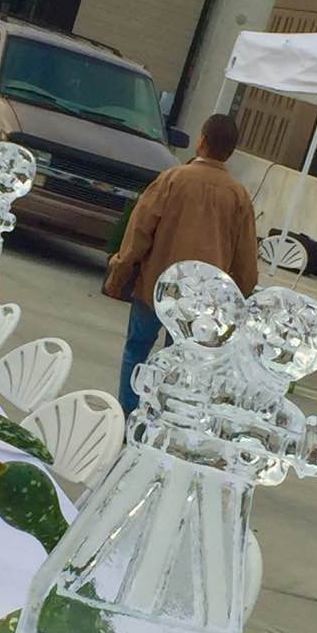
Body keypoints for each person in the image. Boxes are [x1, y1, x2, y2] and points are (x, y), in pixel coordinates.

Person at [105, 113, 259, 417]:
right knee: (180, 362)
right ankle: (160, 420)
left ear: (201, 140)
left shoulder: (172, 179)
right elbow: (245, 260)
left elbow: (139, 232)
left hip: (156, 286)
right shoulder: (238, 196)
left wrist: (119, 272)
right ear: (231, 151)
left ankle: (126, 414)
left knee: (137, 350)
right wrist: (239, 298)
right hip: (203, 299)